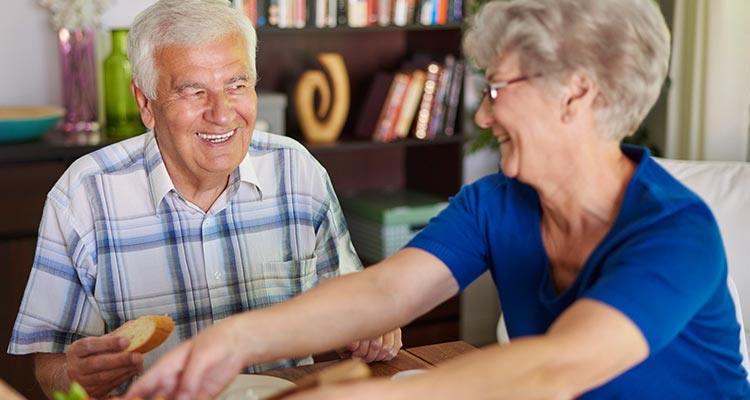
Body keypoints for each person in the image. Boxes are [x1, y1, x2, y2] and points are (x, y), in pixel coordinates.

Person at [124, 0, 750, 399]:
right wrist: (234, 340)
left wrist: (373, 398)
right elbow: (381, 294)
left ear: (576, 94)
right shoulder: (498, 203)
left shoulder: (675, 233)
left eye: (498, 88)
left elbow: (556, 369)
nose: (482, 111)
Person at [7, 0, 401, 398]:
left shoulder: (298, 171)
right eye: (194, 91)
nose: (223, 113)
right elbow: (50, 367)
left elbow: (351, 308)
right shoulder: (83, 196)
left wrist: (372, 326)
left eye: (237, 85)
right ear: (146, 104)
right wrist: (79, 375)